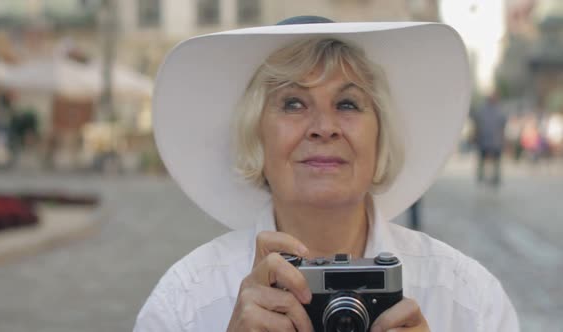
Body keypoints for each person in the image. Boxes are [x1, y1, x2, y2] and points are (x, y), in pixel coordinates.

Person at [134, 17, 519, 332]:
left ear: (379, 138)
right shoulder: (185, 303)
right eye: (293, 103)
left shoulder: (468, 300)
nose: (324, 127)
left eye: (348, 103)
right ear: (257, 137)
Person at [473, 92, 507, 186]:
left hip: (494, 140)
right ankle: (481, 177)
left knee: (496, 161)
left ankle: (495, 178)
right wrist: (476, 136)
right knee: (482, 159)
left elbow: (502, 126)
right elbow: (477, 124)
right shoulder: (483, 110)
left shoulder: (499, 110)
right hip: (485, 139)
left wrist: (503, 139)